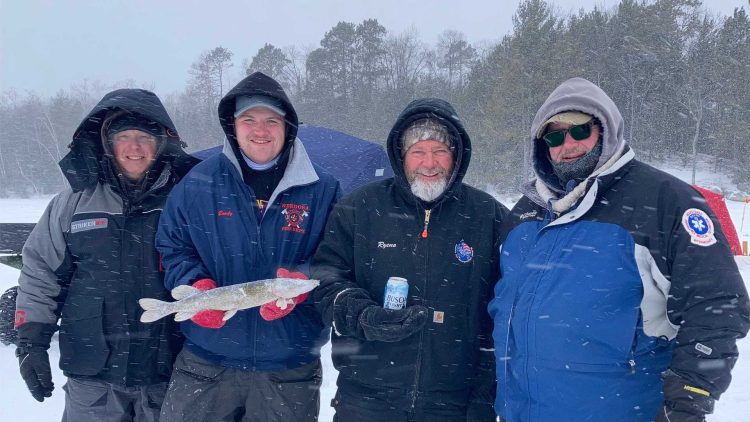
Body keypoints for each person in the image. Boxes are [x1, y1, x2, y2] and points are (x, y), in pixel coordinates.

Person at [488, 77, 750, 422]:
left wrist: (690, 397)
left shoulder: (663, 200)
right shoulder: (524, 213)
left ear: (605, 129)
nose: (567, 144)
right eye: (554, 135)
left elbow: (717, 307)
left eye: (580, 130)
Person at [155, 71, 341, 421]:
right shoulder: (198, 183)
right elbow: (173, 246)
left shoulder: (323, 189)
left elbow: (339, 259)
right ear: (232, 126)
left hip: (289, 367)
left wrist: (301, 280)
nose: (260, 130)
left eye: (272, 120)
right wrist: (197, 287)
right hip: (206, 362)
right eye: (249, 119)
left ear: (288, 127)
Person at [311, 98, 507, 421]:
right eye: (418, 151)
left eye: (440, 151)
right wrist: (361, 315)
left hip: (455, 406)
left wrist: (484, 397)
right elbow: (325, 279)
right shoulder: (359, 208)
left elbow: (507, 309)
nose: (429, 163)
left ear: (456, 155)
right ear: (401, 156)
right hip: (366, 400)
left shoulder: (488, 216)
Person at [14, 88, 199, 421]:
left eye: (144, 137)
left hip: (168, 370)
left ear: (161, 143)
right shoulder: (72, 202)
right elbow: (40, 273)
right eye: (123, 137)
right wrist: (31, 343)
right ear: (107, 144)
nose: (134, 147)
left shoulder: (187, 200)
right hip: (92, 374)